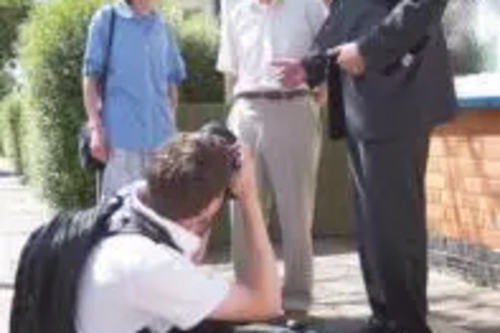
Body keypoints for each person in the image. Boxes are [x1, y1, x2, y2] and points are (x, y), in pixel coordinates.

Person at [272, 0, 457, 332]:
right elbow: (352, 13)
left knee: (394, 226)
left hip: (396, 99)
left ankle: (405, 324)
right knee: (374, 226)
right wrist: (313, 66)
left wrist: (368, 50)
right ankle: (385, 317)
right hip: (364, 107)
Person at [76, 128, 282, 333]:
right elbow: (267, 304)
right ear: (206, 211)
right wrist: (248, 196)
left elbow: (190, 258)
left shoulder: (129, 199)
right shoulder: (155, 265)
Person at [216, 0, 328, 327]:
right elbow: (231, 71)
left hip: (294, 108)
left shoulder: (310, 5)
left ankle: (295, 301)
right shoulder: (233, 7)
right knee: (242, 213)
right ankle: (249, 296)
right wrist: (231, 118)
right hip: (246, 112)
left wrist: (318, 97)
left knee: (297, 212)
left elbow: (328, 57)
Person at [82, 0, 186, 199]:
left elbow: (172, 81)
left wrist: (171, 125)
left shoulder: (163, 27)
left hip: (161, 147)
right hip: (119, 144)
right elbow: (90, 77)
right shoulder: (107, 19)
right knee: (118, 220)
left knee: (159, 220)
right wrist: (95, 128)